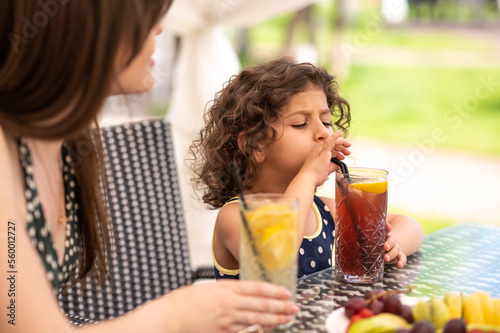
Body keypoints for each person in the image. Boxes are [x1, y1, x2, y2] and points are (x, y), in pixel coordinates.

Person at [0, 1, 299, 332]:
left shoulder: (65, 146)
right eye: (145, 16)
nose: (159, 27)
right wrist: (174, 316)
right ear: (84, 26)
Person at [190, 57, 425, 279]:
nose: (324, 132)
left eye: (326, 121)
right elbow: (276, 258)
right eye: (300, 124)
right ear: (256, 144)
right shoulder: (235, 217)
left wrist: (391, 244)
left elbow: (410, 226)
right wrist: (309, 174)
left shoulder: (324, 211)